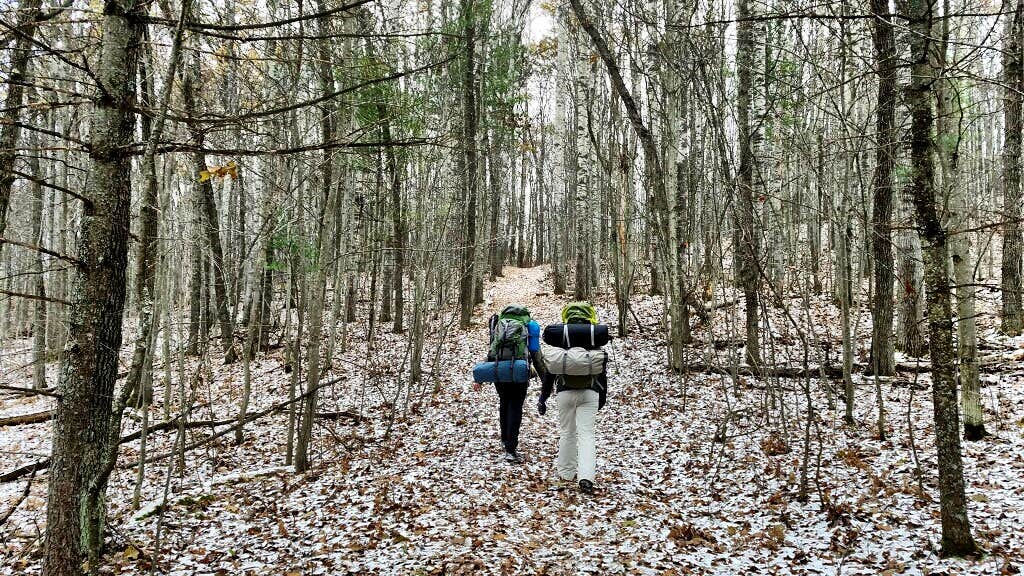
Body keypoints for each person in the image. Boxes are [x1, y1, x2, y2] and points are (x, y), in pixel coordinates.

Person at [537, 302, 608, 494]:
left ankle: (566, 473)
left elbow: (550, 372)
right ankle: (586, 476)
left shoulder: (561, 338)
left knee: (567, 432)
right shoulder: (594, 338)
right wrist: (602, 397)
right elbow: (602, 371)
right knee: (587, 435)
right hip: (590, 392)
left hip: (564, 392)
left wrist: (543, 398)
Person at [472, 304, 541, 463]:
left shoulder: (499, 325)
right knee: (515, 406)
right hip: (518, 370)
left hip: (499, 370)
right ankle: (511, 449)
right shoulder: (528, 326)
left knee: (504, 402)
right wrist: (546, 382)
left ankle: (505, 439)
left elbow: (492, 351)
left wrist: (480, 379)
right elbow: (536, 355)